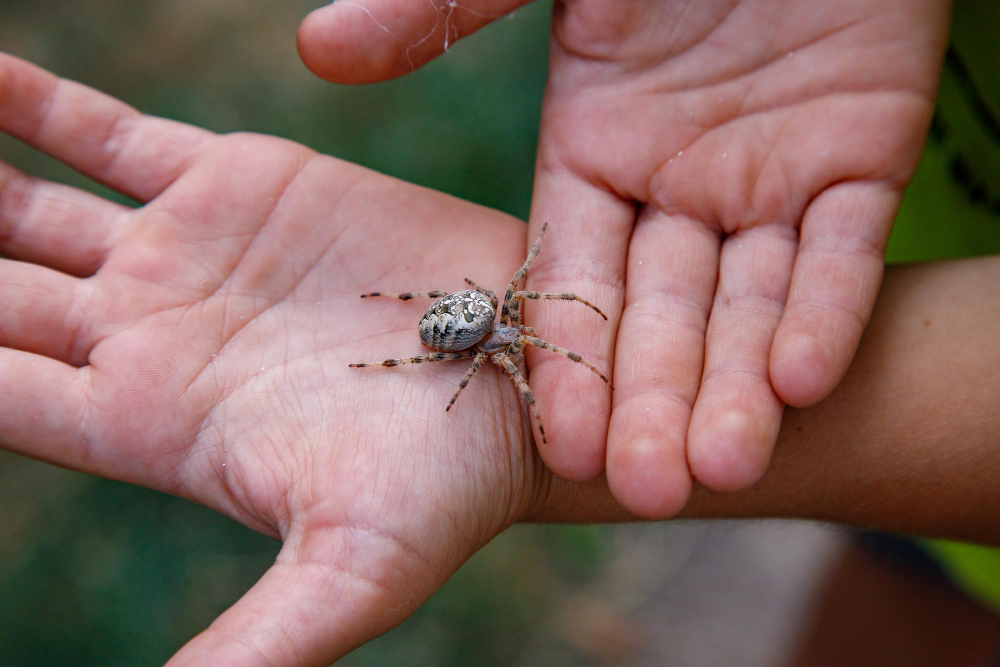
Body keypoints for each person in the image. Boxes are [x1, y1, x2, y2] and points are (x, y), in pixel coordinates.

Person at [0, 52, 997, 665]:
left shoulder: (503, 332)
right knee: (903, 598)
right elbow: (488, 318)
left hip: (485, 314)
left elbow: (519, 326)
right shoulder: (487, 326)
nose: (530, 327)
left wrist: (512, 419)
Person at [295, 0, 954, 517]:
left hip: (466, 313)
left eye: (509, 331)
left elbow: (521, 306)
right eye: (509, 333)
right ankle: (376, 357)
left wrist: (561, 310)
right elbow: (499, 349)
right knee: (466, 337)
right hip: (460, 319)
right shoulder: (491, 344)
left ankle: (400, 340)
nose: (515, 337)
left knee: (506, 318)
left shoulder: (500, 331)